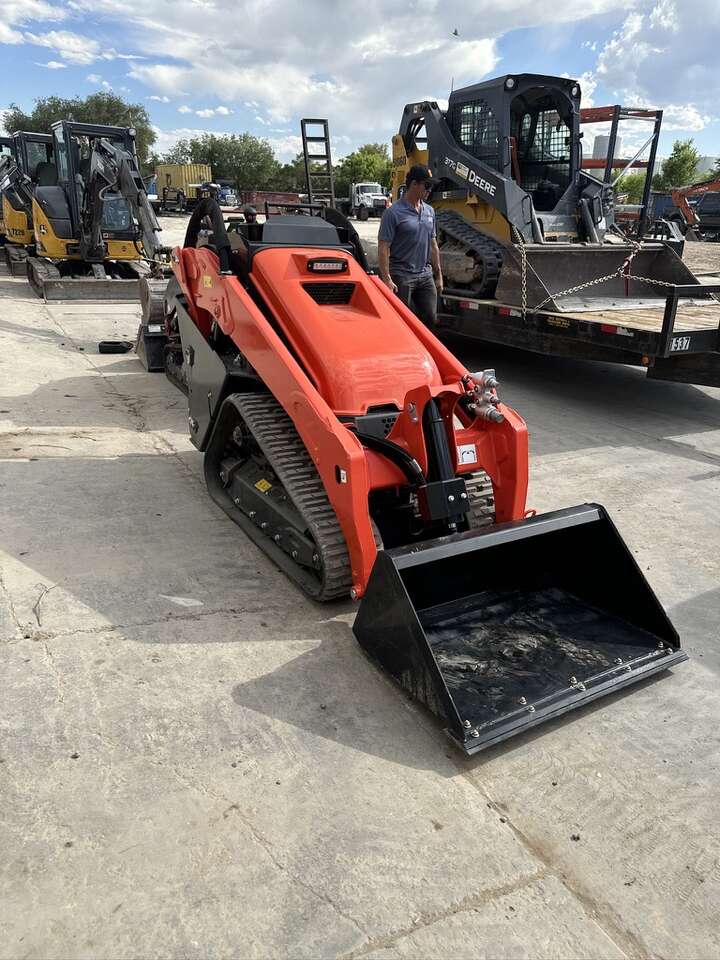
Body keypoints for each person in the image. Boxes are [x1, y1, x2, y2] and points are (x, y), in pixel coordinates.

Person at [377, 164, 443, 327]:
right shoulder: (393, 213)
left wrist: (439, 275)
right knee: (402, 323)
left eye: (431, 187)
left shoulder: (430, 211)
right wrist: (387, 279)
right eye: (427, 186)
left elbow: (433, 244)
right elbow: (383, 247)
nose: (429, 190)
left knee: (430, 319)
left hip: (425, 276)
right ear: (414, 184)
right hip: (402, 275)